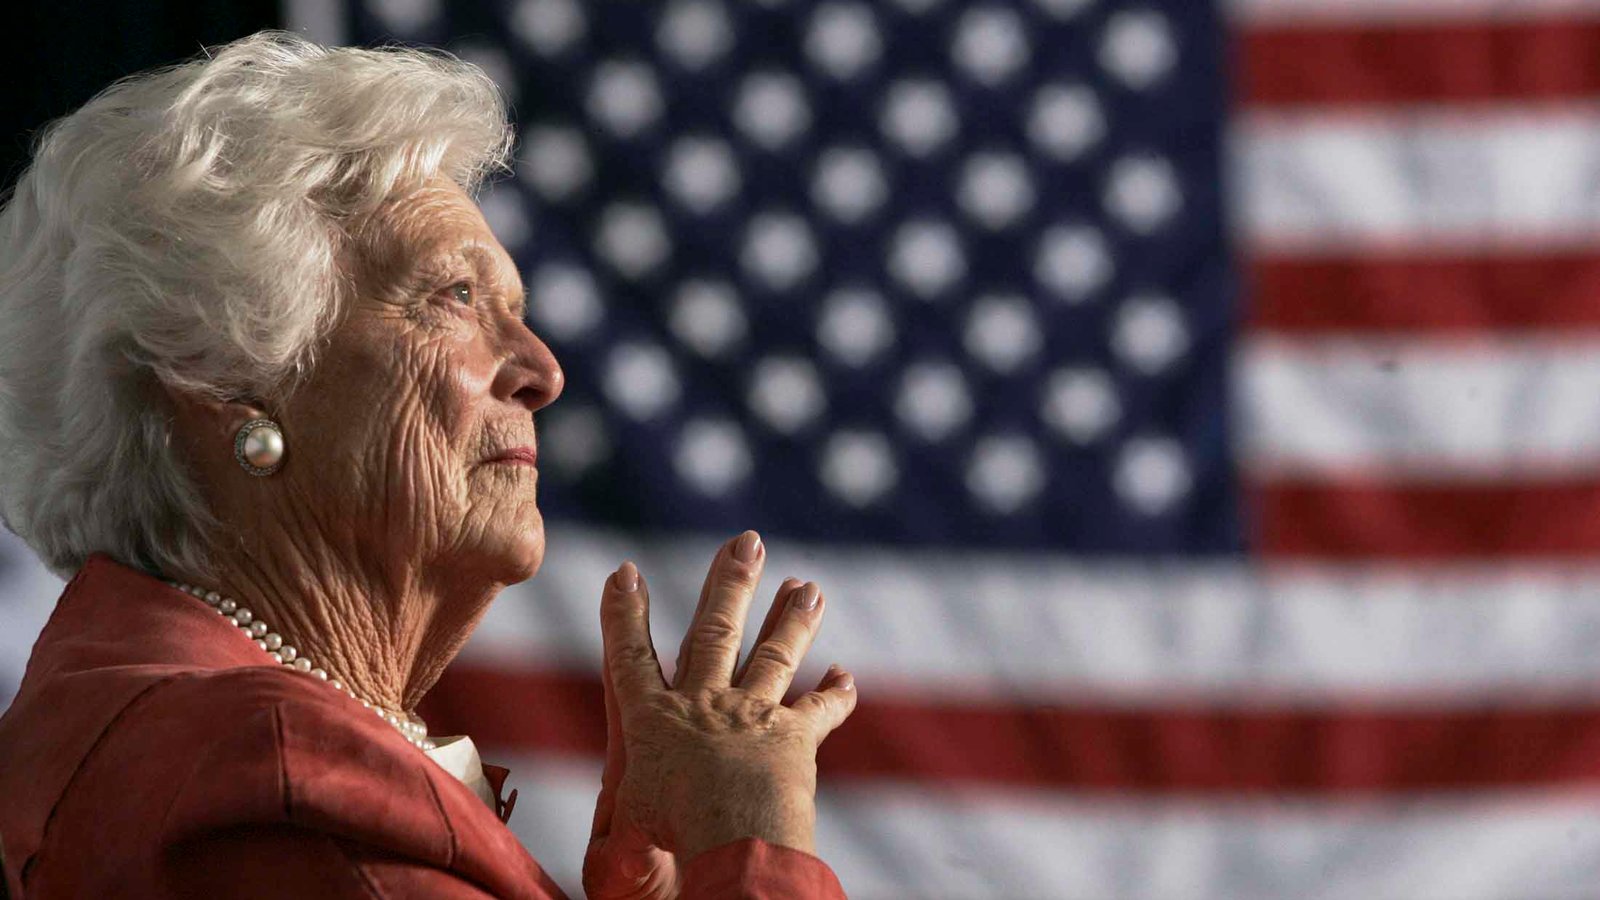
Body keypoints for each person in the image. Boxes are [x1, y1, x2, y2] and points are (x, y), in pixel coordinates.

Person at [0, 32, 857, 899]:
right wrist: (754, 845)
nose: (542, 371)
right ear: (228, 379)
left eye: (514, 311)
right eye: (455, 297)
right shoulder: (279, 783)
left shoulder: (200, 748)